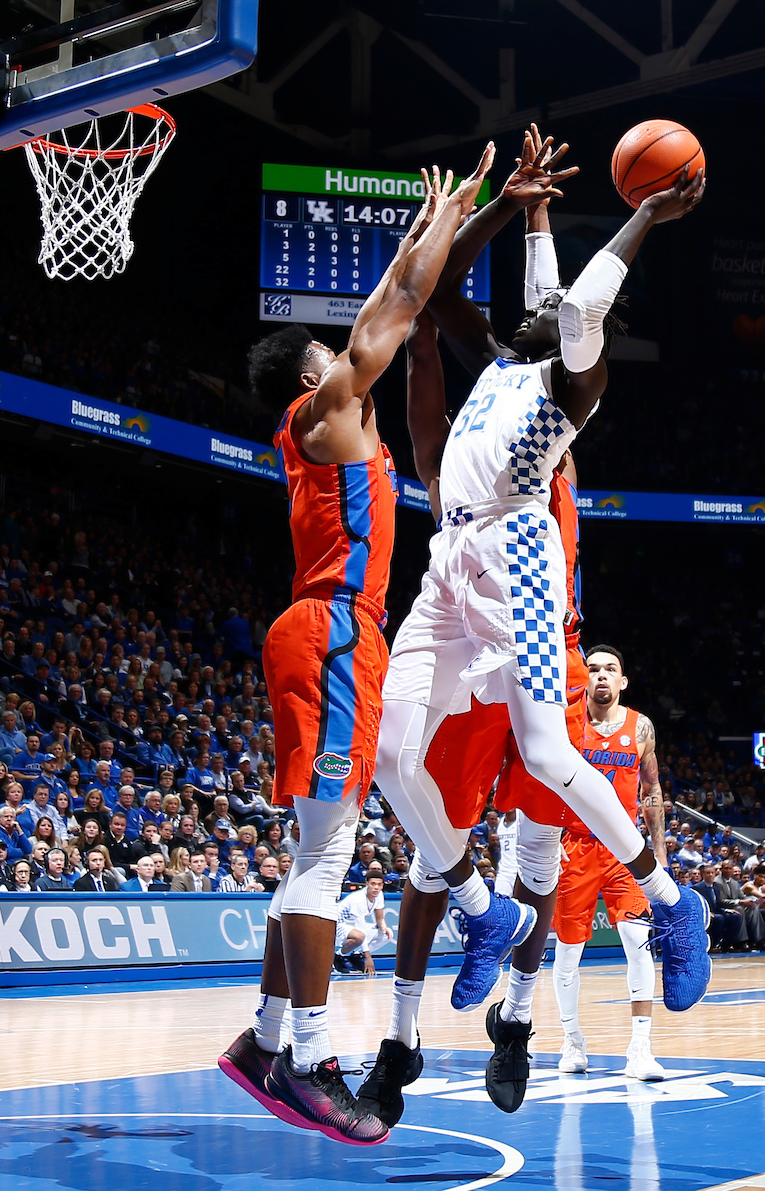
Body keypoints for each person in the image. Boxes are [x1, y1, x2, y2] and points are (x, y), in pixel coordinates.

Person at [372, 135, 709, 1023]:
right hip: (451, 559)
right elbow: (442, 284)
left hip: (518, 553)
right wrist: (518, 208)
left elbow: (582, 301)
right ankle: (482, 911)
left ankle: (671, 903)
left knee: (552, 757)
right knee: (390, 755)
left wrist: (647, 212)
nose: (547, 303)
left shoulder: (574, 381)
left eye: (556, 307)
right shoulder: (502, 362)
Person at [218, 150, 497, 1146]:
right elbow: (397, 310)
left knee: (315, 848)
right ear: (314, 377)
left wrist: (423, 227)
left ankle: (262, 1039)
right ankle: (305, 1058)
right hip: (332, 628)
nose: (349, 353)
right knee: (326, 851)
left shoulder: (338, 421)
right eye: (331, 353)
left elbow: (387, 303)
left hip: (341, 633)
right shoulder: (323, 410)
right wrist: (448, 217)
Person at [552, 646, 669, 1080]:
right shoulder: (566, 724)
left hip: (626, 850)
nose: (601, 675)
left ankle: (640, 1048)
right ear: (584, 678)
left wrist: (658, 854)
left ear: (623, 681)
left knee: (639, 944)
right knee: (568, 953)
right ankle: (572, 1040)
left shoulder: (641, 727)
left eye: (610, 669)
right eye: (593, 669)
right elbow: (543, 784)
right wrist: (549, 841)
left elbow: (651, 791)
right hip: (575, 847)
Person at [333, 871, 394, 975]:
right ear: (367, 884)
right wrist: (368, 957)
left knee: (386, 934)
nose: (376, 887)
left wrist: (384, 928)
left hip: (353, 925)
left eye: (379, 884)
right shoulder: (358, 899)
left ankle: (356, 956)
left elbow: (380, 919)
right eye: (373, 884)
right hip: (339, 923)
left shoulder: (379, 895)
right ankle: (338, 956)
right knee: (359, 937)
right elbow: (360, 929)